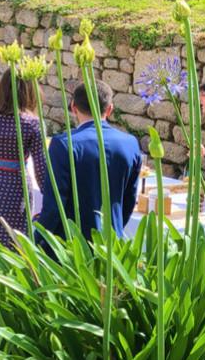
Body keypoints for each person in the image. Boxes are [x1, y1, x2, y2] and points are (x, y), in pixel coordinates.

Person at [35, 80, 143, 243]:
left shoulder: (63, 144)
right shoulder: (130, 143)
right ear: (110, 109)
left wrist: (37, 241)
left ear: (73, 107)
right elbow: (129, 201)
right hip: (111, 242)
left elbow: (54, 206)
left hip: (71, 244)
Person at [0, 70, 49, 247]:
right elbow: (42, 171)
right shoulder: (32, 124)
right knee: (11, 243)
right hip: (14, 190)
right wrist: (54, 201)